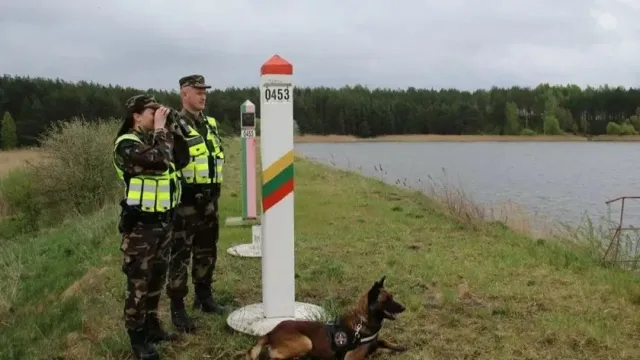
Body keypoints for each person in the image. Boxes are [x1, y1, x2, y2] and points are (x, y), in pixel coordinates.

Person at [113, 95, 190, 360]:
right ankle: (137, 340)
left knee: (157, 279)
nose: (157, 115)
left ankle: (152, 326)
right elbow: (159, 160)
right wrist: (160, 130)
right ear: (136, 115)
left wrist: (173, 130)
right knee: (138, 285)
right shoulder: (126, 145)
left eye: (159, 111)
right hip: (140, 229)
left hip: (163, 223)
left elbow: (180, 160)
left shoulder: (158, 139)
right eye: (152, 111)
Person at [166, 75, 227, 333]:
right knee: (180, 255)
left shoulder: (209, 124)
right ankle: (177, 309)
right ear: (184, 94)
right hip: (186, 203)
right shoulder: (174, 126)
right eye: (198, 91)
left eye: (205, 91)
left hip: (210, 200)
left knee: (206, 250)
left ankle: (204, 298)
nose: (203, 96)